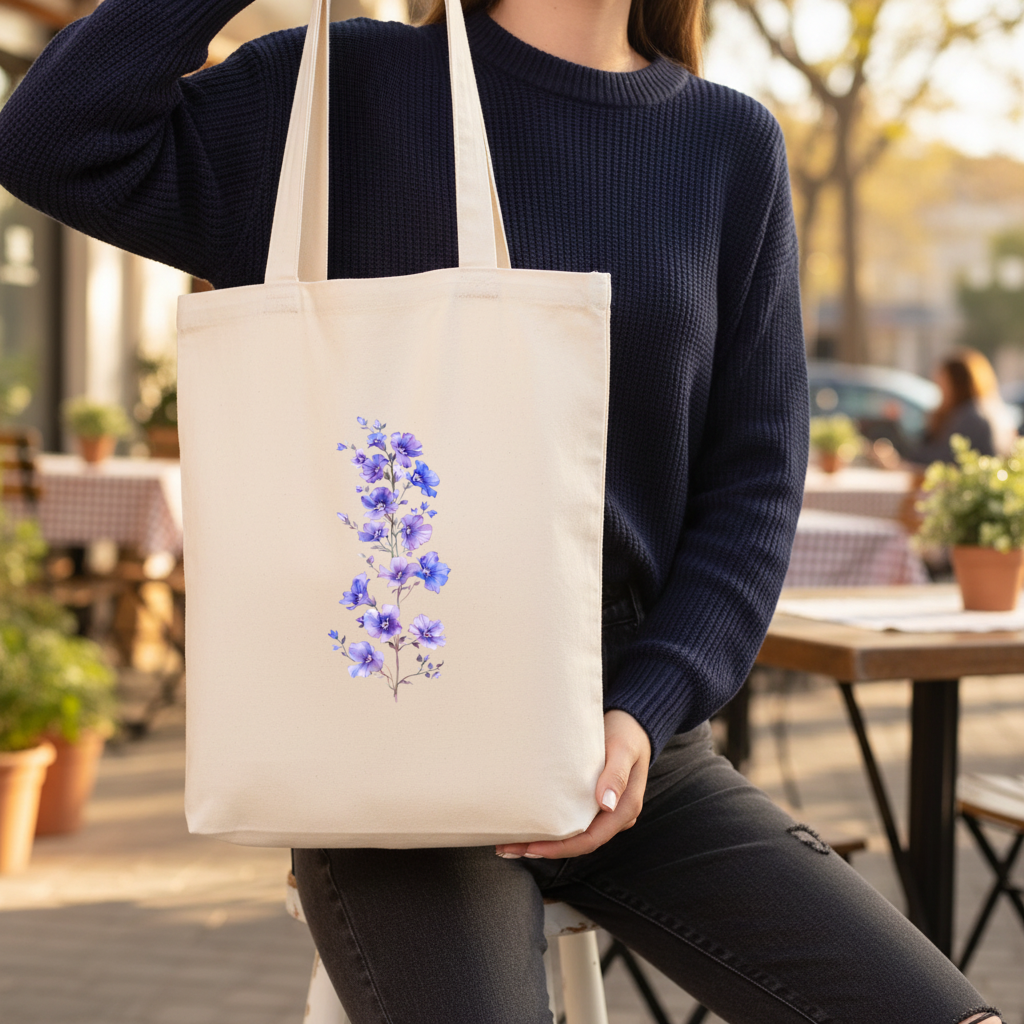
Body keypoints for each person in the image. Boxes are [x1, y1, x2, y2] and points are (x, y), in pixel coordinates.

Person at [0, 0, 1002, 1020]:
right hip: (384, 740)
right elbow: (50, 139)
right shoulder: (337, 91)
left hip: (630, 730)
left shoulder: (725, 143)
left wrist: (648, 710)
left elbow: (751, 487)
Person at [906, 349, 1019, 467]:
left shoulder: (971, 416)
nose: (940, 393)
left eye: (943, 385)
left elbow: (943, 460)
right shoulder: (989, 410)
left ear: (958, 384)